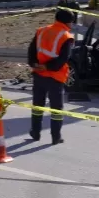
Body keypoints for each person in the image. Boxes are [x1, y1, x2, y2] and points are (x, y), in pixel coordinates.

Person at [27, 8, 74, 144]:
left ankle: (35, 132)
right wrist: (48, 67)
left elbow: (32, 50)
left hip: (39, 74)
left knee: (37, 106)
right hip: (55, 77)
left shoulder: (41, 31)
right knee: (56, 109)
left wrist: (34, 64)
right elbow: (63, 59)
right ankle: (56, 137)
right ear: (69, 22)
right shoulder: (66, 36)